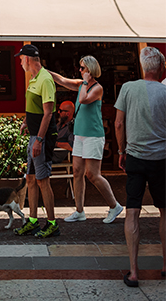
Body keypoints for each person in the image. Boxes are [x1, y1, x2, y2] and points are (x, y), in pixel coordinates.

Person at [114, 45, 166, 288]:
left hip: (135, 157)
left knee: (133, 211)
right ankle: (165, 265)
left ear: (143, 67)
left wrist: (121, 151)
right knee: (164, 211)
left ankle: (134, 272)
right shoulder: (165, 92)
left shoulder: (128, 88)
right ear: (161, 68)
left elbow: (118, 124)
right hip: (161, 159)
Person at [52, 55, 125, 223]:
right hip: (79, 135)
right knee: (77, 172)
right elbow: (62, 80)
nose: (80, 71)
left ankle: (114, 206)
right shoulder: (81, 85)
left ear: (90, 71)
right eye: (80, 68)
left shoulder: (96, 88)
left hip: (93, 135)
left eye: (83, 68)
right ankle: (79, 211)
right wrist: (43, 70)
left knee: (92, 174)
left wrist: (84, 82)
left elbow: (83, 99)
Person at [19, 44, 61, 234]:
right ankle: (33, 220)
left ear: (28, 59)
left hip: (42, 138)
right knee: (31, 178)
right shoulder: (34, 78)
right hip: (34, 135)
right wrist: (26, 121)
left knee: (43, 180)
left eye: (21, 59)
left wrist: (39, 140)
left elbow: (48, 113)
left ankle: (52, 224)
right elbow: (34, 106)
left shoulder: (45, 79)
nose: (20, 63)